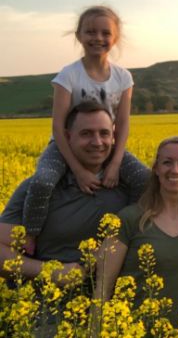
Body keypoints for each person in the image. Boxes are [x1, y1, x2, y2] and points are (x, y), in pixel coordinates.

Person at [22, 5, 147, 251]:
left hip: (106, 147)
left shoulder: (123, 77)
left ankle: (127, 231)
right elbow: (58, 128)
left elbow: (122, 124)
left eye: (105, 33)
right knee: (43, 183)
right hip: (65, 147)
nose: (97, 38)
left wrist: (114, 163)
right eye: (90, 32)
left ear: (115, 38)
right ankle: (29, 237)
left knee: (144, 179)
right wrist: (78, 170)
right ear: (78, 35)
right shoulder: (68, 75)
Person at [0, 101, 142, 282]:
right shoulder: (39, 189)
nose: (97, 142)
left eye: (104, 133)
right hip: (48, 305)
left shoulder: (131, 187)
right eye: (86, 134)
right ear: (67, 137)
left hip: (115, 304)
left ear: (114, 136)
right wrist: (49, 272)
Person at [95, 136, 178, 325]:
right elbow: (103, 287)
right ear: (156, 168)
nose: (175, 170)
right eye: (167, 162)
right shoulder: (129, 219)